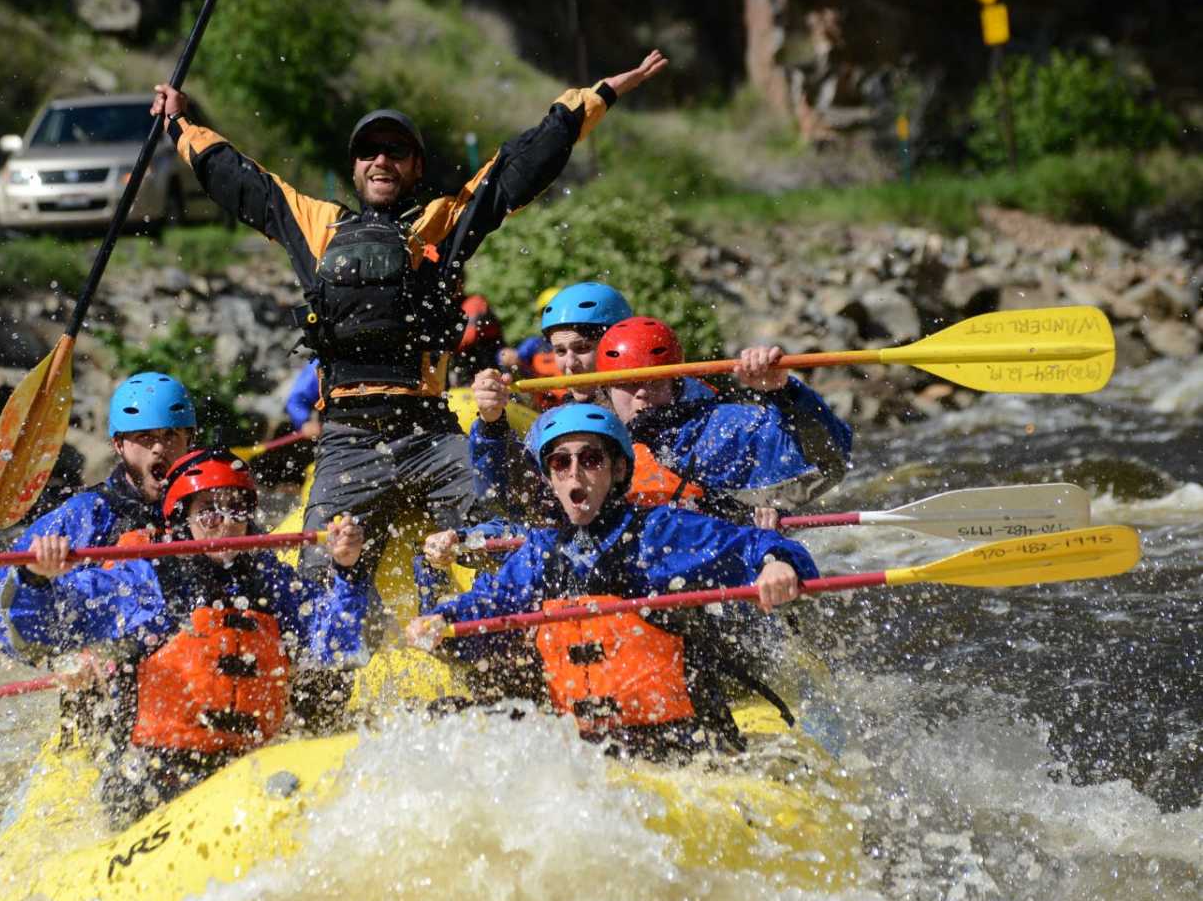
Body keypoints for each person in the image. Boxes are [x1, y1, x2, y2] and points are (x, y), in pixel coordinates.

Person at [151, 50, 670, 594]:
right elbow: (237, 179)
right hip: (346, 440)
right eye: (369, 152)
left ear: (415, 166)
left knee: (496, 539)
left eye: (396, 151)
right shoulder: (317, 225)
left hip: (429, 432)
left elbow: (520, 165)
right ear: (353, 167)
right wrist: (180, 123)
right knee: (317, 578)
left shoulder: (439, 224)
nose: (381, 161)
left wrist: (597, 95)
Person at [0, 449, 374, 825]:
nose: (225, 522)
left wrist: (348, 571)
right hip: (155, 773)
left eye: (236, 508)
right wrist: (36, 579)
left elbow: (335, 646)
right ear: (183, 518)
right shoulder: (144, 579)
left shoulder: (271, 581)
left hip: (250, 763)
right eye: (209, 511)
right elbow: (43, 632)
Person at [406, 404, 817, 762]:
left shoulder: (661, 533)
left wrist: (776, 563)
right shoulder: (541, 550)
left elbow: (760, 544)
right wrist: (443, 620)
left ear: (618, 469)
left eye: (591, 460)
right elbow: (491, 602)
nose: (575, 474)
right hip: (584, 749)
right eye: (560, 463)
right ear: (549, 477)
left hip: (683, 740)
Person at [0, 371, 199, 671]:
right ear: (119, 445)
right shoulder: (85, 514)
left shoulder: (208, 511)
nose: (159, 448)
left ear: (190, 440)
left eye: (171, 435)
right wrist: (61, 660)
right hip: (103, 674)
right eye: (145, 437)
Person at [596, 317, 853, 514]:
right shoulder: (582, 442)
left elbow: (830, 462)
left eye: (654, 381)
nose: (641, 393)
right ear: (607, 389)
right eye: (627, 384)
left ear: (676, 382)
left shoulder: (724, 429)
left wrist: (783, 393)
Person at [466, 281, 631, 519]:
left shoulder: (653, 403)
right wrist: (492, 425)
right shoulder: (552, 422)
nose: (570, 364)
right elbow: (507, 501)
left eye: (583, 348)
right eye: (561, 351)